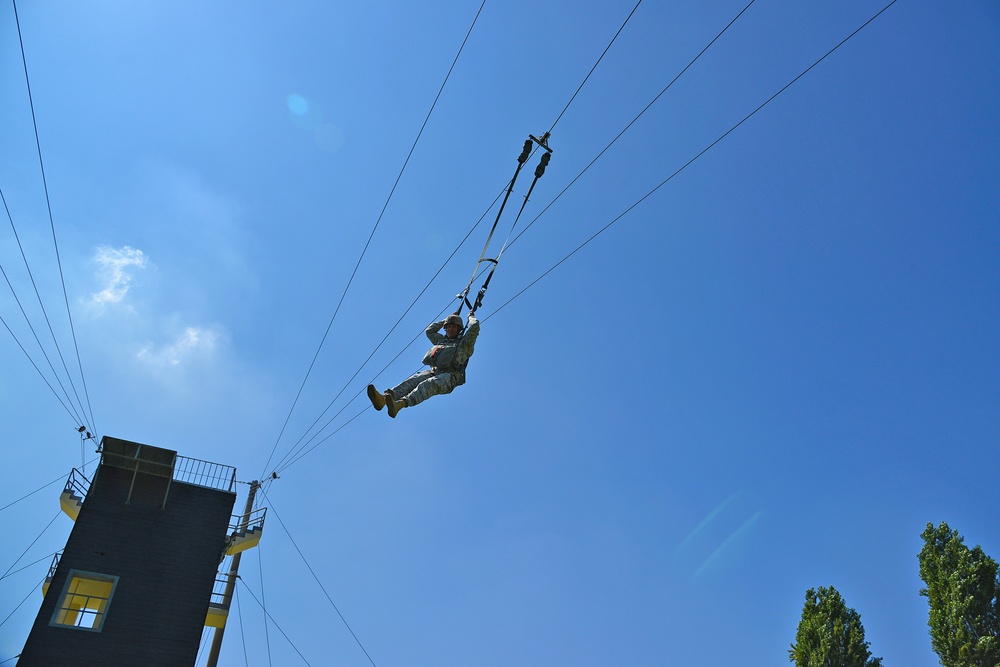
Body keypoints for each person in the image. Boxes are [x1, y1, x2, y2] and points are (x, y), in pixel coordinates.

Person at [367, 311, 480, 418]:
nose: (450, 329)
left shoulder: (464, 344)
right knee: (413, 380)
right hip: (434, 372)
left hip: (450, 377)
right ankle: (382, 399)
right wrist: (445, 320)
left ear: (459, 329)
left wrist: (470, 317)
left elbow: (474, 327)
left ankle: (400, 405)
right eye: (448, 327)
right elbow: (429, 331)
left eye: (454, 327)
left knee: (427, 385)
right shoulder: (442, 341)